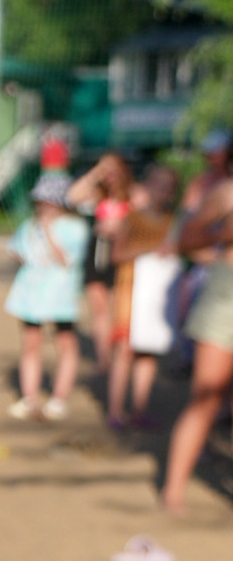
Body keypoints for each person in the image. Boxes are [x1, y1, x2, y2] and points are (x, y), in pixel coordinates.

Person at [160, 143, 233, 511]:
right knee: (206, 396)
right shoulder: (226, 192)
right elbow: (185, 239)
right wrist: (222, 235)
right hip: (226, 296)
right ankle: (174, 490)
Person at [4, 170, 87, 420]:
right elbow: (17, 251)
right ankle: (29, 398)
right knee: (30, 344)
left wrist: (49, 232)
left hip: (60, 297)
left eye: (48, 200)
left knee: (65, 345)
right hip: (31, 296)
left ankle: (58, 399)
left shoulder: (75, 228)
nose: (43, 205)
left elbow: (66, 261)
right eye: (40, 200)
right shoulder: (29, 226)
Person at [109, 162, 179, 432]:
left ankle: (139, 409)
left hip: (156, 296)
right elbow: (117, 255)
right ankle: (116, 410)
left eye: (168, 188)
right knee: (124, 351)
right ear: (147, 186)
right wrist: (151, 247)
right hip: (130, 291)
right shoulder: (133, 218)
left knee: (147, 352)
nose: (162, 192)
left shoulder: (173, 221)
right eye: (157, 185)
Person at [68, 152, 134, 374]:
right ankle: (103, 357)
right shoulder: (97, 194)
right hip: (97, 251)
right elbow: (72, 196)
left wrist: (120, 228)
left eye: (114, 169)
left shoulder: (132, 195)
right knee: (98, 308)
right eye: (106, 170)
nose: (110, 175)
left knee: (118, 309)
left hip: (121, 253)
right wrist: (97, 172)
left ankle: (119, 354)